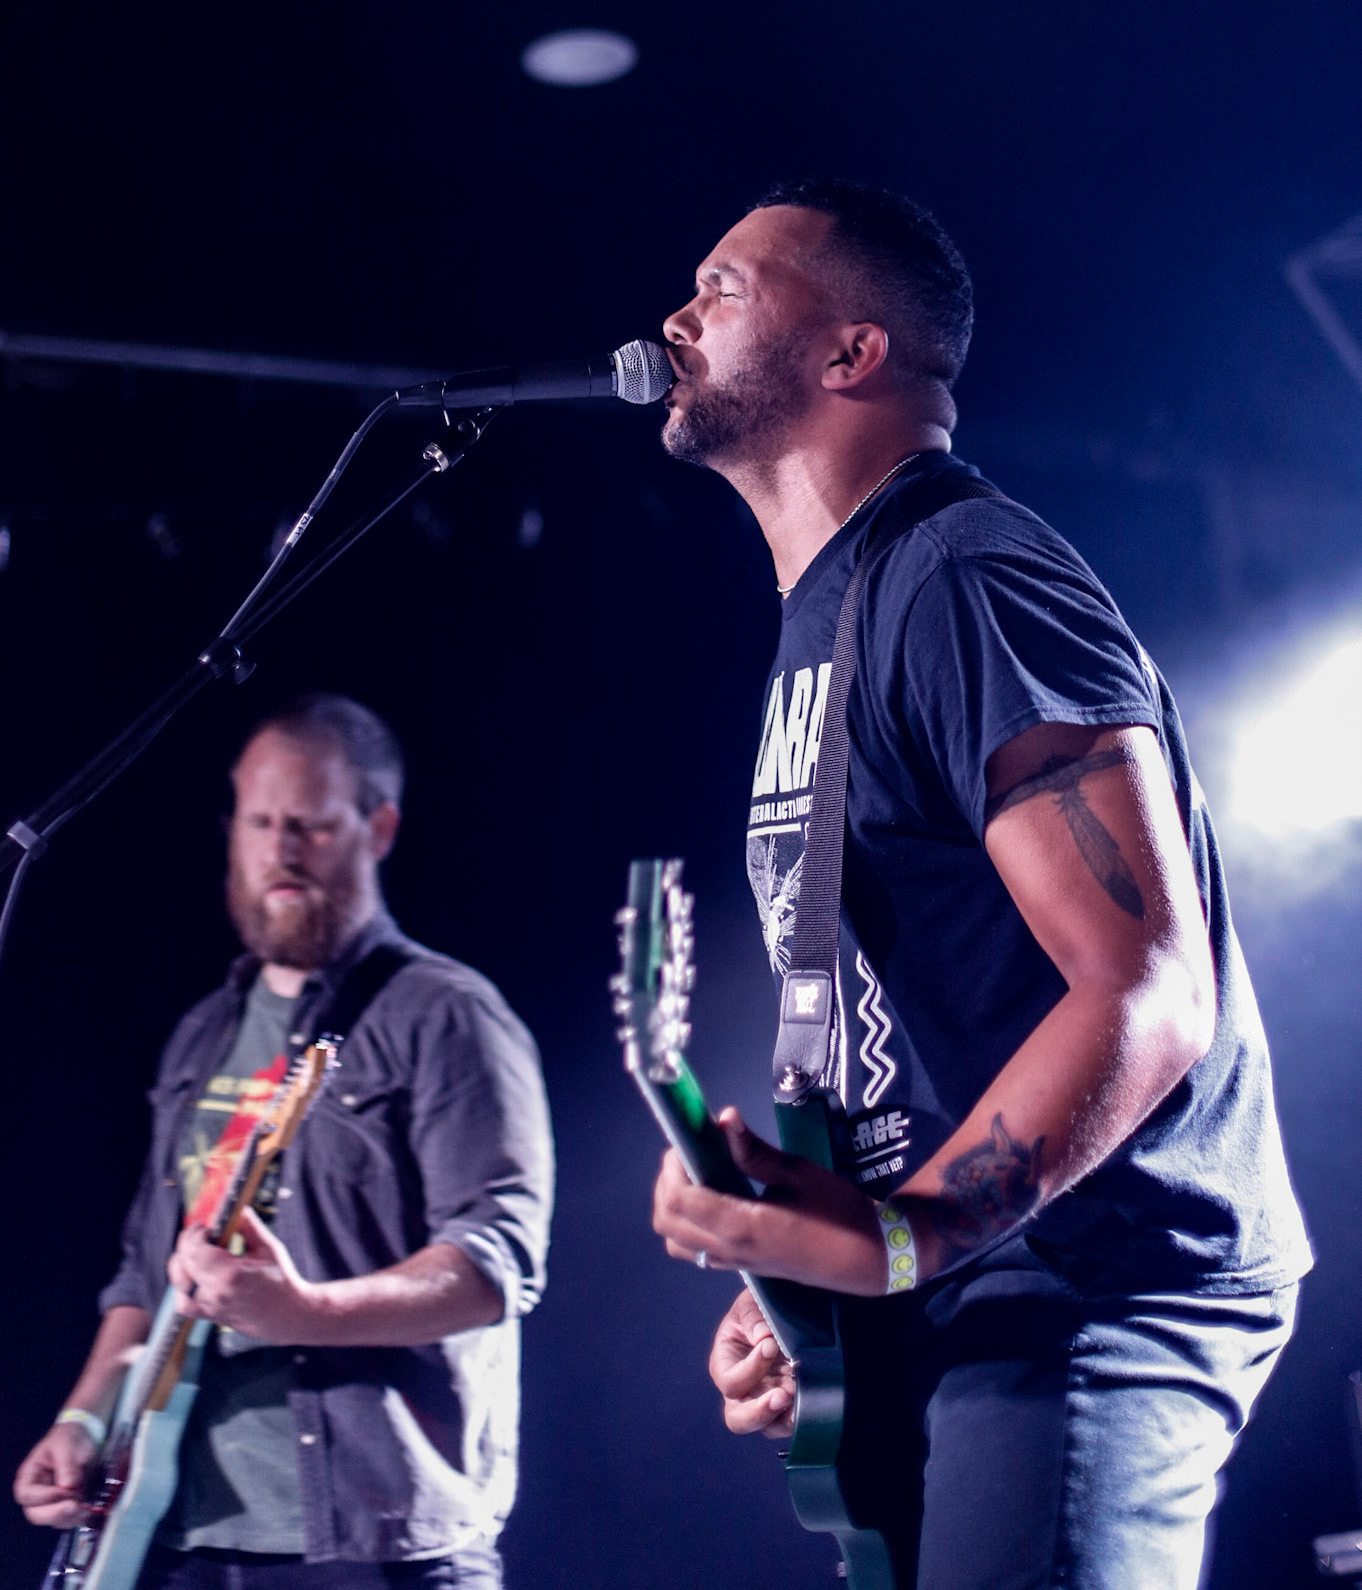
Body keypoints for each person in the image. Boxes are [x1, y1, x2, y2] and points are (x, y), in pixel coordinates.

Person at [649, 180, 1311, 1589]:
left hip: (1091, 1277)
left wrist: (900, 1240)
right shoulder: (830, 615)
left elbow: (1148, 986)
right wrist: (806, 1279)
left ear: (852, 351)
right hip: (973, 1280)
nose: (675, 317)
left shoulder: (964, 572)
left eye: (722, 287)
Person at [15, 692, 554, 1589]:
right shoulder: (202, 1033)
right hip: (179, 1538)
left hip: (380, 1546)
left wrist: (304, 1311)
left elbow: (497, 1263)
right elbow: (145, 1278)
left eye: (310, 823)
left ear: (378, 828)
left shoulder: (447, 1014)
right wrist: (81, 1421)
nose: (281, 849)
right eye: (260, 822)